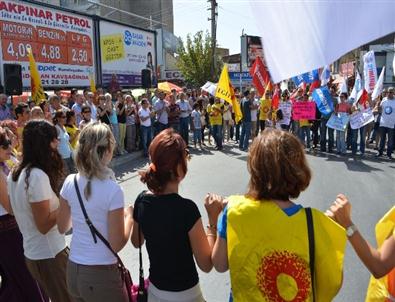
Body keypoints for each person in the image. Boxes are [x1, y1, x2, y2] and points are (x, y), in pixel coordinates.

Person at [211, 129, 346, 301]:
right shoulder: (314, 223)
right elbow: (333, 282)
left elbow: (220, 264)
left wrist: (213, 222)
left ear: (254, 168)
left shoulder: (233, 210)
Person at [132, 128, 223, 301]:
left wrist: (131, 215)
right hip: (187, 295)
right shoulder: (187, 210)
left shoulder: (141, 201)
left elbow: (136, 242)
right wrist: (212, 219)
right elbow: (206, 264)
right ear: (180, 169)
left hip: (155, 293)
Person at [57, 122, 132, 302]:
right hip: (100, 273)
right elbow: (117, 244)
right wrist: (129, 217)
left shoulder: (70, 181)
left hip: (74, 268)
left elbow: (62, 227)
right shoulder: (112, 190)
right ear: (106, 151)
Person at [8, 120, 71, 302]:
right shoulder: (36, 176)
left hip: (35, 252)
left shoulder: (16, 173)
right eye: (54, 139)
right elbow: (43, 225)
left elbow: (14, 210)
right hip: (50, 254)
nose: (57, 143)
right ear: (44, 143)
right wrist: (66, 204)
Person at [0, 127, 48, 302]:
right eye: (4, 143)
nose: (9, 146)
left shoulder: (8, 161)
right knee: (23, 278)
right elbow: (11, 207)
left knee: (22, 278)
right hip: (8, 230)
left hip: (16, 226)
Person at [53, 110, 74, 174]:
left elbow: (67, 142)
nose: (66, 118)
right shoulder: (56, 129)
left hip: (69, 156)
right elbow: (54, 144)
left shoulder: (64, 127)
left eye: (66, 117)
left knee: (72, 174)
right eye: (63, 117)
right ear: (58, 118)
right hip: (62, 158)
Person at [377, 87, 395, 159]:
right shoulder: (384, 100)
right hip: (383, 123)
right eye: (388, 92)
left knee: (390, 140)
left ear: (394, 93)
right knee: (382, 139)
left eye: (391, 92)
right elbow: (380, 110)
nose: (389, 93)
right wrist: (378, 106)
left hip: (391, 123)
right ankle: (380, 152)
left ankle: (389, 154)